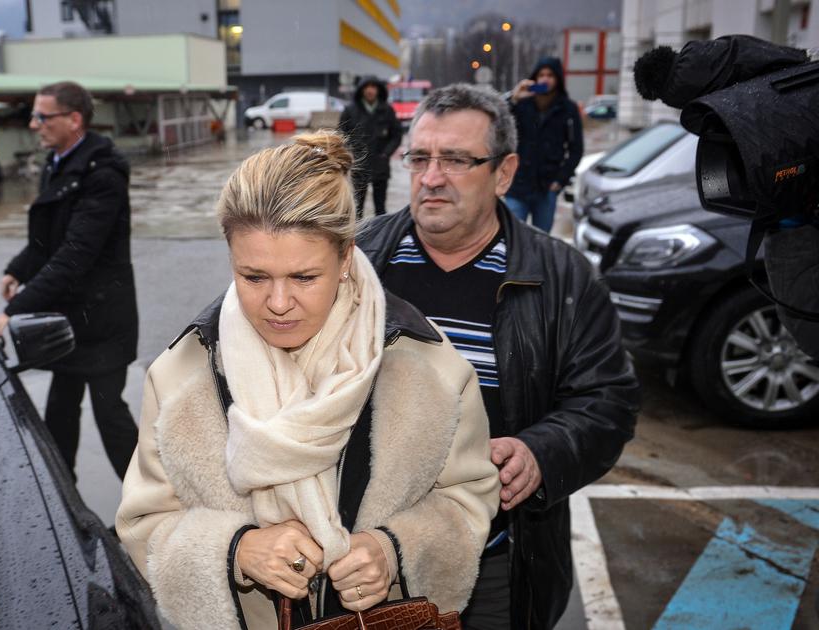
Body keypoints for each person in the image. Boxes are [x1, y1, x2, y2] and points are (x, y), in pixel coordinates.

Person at [115, 131, 499, 629]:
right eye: (254, 277)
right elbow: (143, 523)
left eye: (304, 277)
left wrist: (392, 550)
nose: (278, 303)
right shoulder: (183, 377)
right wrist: (237, 551)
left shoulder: (427, 369)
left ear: (345, 259)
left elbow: (469, 498)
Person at [357, 84, 639, 630]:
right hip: (366, 562)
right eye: (420, 158)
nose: (431, 177)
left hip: (496, 564)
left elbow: (608, 401)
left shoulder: (563, 277)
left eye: (456, 160)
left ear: (504, 173)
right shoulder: (358, 260)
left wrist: (540, 452)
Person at [0, 81, 139, 481]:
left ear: (74, 120)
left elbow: (75, 254)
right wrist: (18, 269)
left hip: (103, 320)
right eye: (33, 115)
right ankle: (61, 493)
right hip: (68, 317)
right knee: (60, 408)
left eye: (42, 116)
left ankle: (149, 502)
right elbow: (48, 240)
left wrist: (14, 310)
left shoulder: (102, 174)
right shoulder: (57, 164)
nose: (34, 124)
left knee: (110, 413)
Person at [505, 58, 583, 233]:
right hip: (518, 184)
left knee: (541, 239)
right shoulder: (522, 103)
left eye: (550, 75)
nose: (545, 79)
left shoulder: (567, 108)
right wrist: (513, 99)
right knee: (513, 235)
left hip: (547, 188)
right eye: (541, 75)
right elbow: (498, 124)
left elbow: (576, 149)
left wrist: (560, 180)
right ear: (535, 78)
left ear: (558, 78)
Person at [339, 76, 403, 219]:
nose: (370, 91)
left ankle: (380, 231)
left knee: (380, 209)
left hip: (380, 164)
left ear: (378, 90)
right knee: (357, 208)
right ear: (361, 90)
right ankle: (358, 233)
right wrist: (351, 152)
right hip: (359, 164)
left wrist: (386, 153)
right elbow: (342, 134)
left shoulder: (387, 110)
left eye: (373, 87)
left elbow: (397, 135)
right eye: (367, 87)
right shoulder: (350, 110)